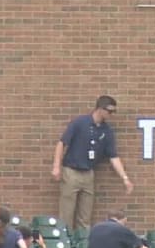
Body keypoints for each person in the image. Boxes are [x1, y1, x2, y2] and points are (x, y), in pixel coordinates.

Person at [52, 95, 134, 230]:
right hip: (71, 171)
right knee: (66, 213)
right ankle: (65, 245)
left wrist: (125, 178)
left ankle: (83, 245)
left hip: (88, 173)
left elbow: (113, 156)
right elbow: (62, 143)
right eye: (109, 111)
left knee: (85, 216)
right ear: (100, 109)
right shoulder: (80, 123)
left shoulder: (106, 131)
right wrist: (56, 166)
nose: (111, 114)